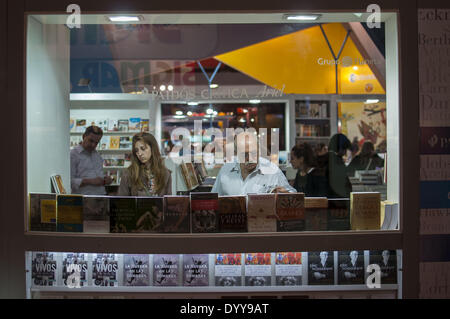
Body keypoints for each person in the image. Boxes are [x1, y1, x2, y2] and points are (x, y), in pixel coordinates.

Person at [211, 133, 296, 195]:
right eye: (245, 155)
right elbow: (214, 199)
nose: (251, 159)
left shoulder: (272, 170)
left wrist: (285, 194)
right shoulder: (226, 170)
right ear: (236, 153)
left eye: (254, 153)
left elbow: (293, 196)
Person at [70, 126, 112, 195]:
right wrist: (90, 181)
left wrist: (105, 180)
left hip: (101, 196)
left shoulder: (97, 155)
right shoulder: (73, 155)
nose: (93, 145)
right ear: (83, 136)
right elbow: (70, 181)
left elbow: (97, 177)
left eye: (96, 143)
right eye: (91, 141)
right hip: (83, 200)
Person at [327, 133, 353, 198]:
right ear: (340, 148)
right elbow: (344, 184)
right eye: (345, 149)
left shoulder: (326, 158)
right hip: (337, 200)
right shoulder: (337, 161)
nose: (345, 153)